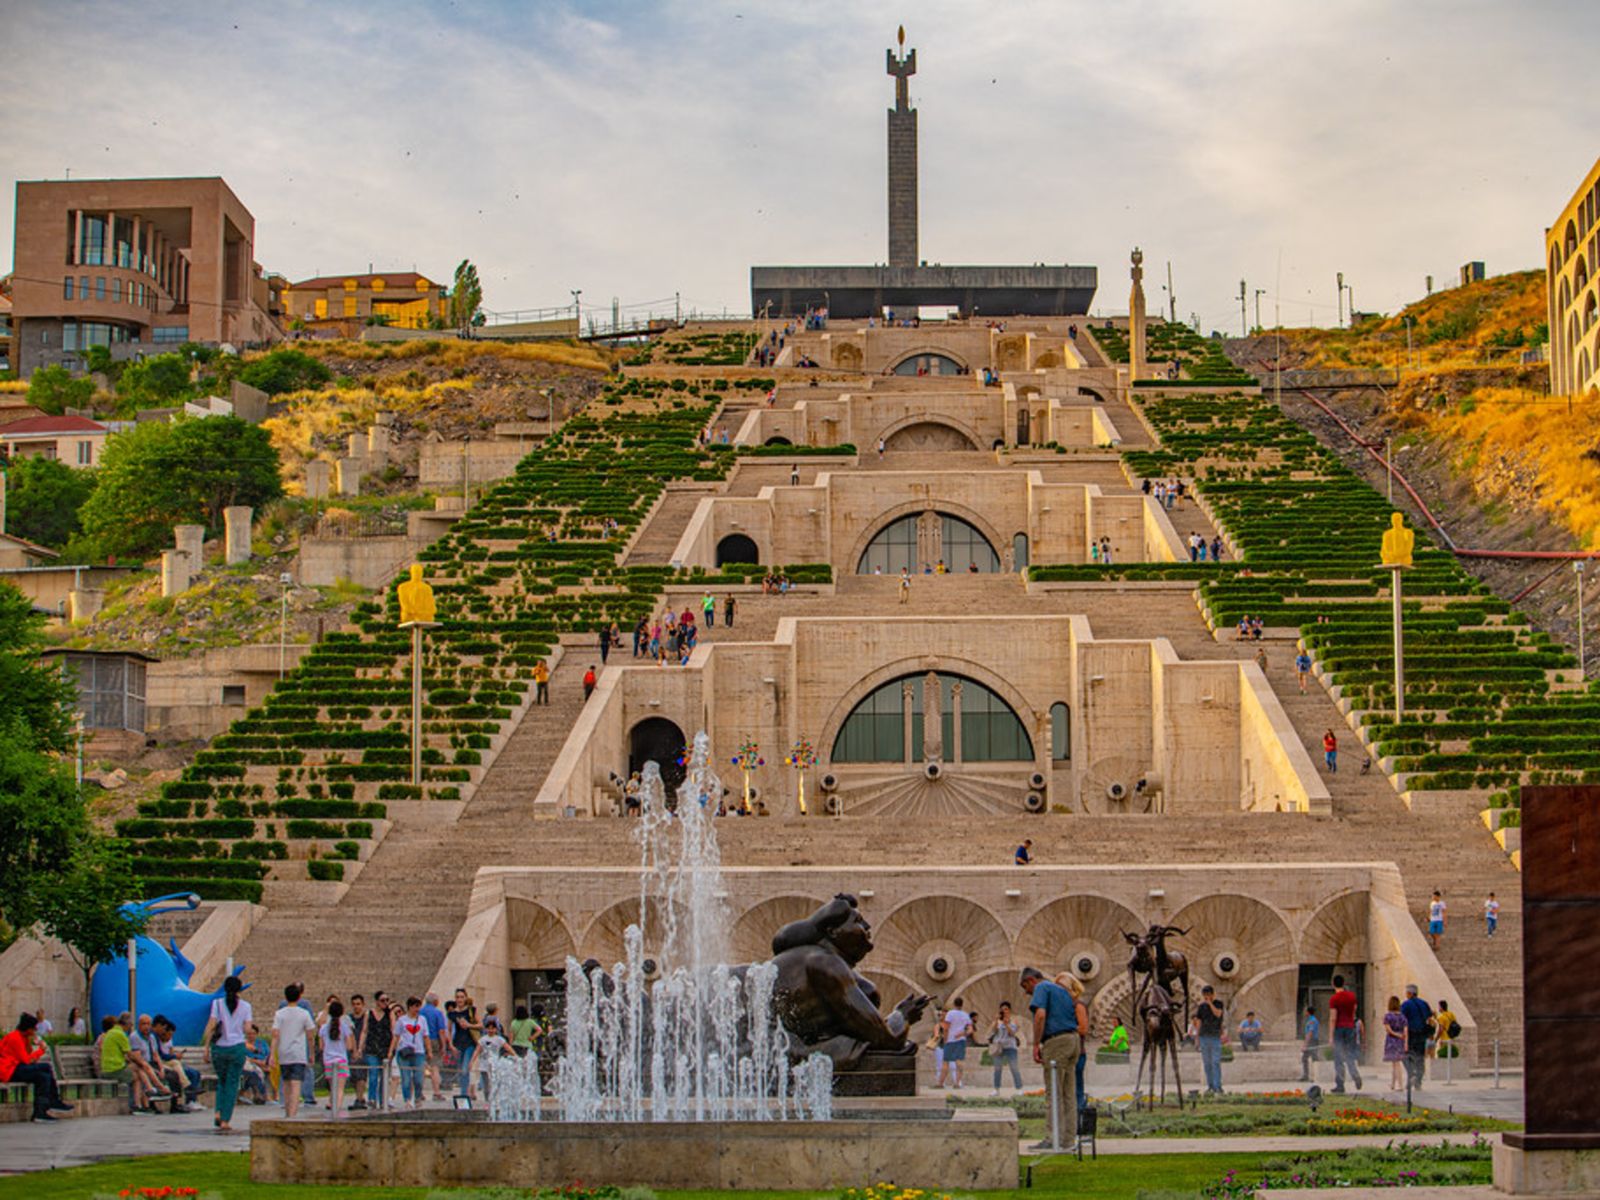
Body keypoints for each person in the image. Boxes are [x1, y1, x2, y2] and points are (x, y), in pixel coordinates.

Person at [1021, 966, 1080, 1149]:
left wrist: (1036, 1044)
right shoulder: (1062, 991)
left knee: (1053, 1092)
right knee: (1068, 1093)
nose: (1026, 992)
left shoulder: (1042, 987)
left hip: (1056, 1042)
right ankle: (1068, 1139)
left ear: (1031, 980)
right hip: (1073, 1040)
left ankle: (1052, 1139)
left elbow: (1040, 1016)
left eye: (1025, 987)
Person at [201, 975, 252, 1133]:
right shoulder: (245, 1006)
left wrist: (206, 1047)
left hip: (219, 1048)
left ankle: (218, 1111)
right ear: (239, 989)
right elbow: (247, 1029)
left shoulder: (217, 1004)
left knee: (222, 1082)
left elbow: (211, 1025)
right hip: (236, 1048)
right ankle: (225, 1119)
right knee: (231, 1084)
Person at [0, 1013, 72, 1122]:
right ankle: (52, 1101)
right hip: (8, 1071)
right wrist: (41, 1050)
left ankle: (40, 1112)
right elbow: (27, 1061)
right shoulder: (15, 1038)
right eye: (34, 1028)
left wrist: (30, 1042)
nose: (36, 1031)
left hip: (16, 1067)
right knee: (46, 1067)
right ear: (28, 1029)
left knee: (43, 1077)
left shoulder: (23, 1037)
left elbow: (27, 1055)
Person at [271, 983, 317, 1119]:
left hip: (284, 1052)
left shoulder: (279, 1014)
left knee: (286, 1083)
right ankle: (292, 1114)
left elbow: (275, 1035)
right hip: (298, 1053)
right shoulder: (304, 1013)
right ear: (299, 997)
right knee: (296, 1084)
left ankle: (287, 1111)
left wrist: (272, 1054)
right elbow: (310, 1036)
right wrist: (312, 1053)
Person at [152, 1015, 202, 1112]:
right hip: (156, 1064)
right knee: (175, 1073)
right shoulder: (154, 1037)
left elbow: (162, 1054)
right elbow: (160, 1055)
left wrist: (173, 1057)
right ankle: (184, 1094)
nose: (163, 1030)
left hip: (163, 1063)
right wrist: (174, 1057)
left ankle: (190, 1098)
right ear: (158, 1025)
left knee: (194, 1073)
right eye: (163, 1028)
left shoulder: (155, 1037)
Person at [356, 990, 393, 1110]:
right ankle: (372, 1098)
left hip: (385, 1048)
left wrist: (392, 1049)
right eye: (382, 1000)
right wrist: (360, 1047)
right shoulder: (369, 1013)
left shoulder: (390, 1014)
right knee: (373, 1073)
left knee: (384, 1076)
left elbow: (393, 1031)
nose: (385, 1003)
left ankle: (382, 1100)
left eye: (387, 1000)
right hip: (372, 1047)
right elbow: (364, 1030)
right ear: (377, 1001)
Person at [1328, 973, 1363, 1092]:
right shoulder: (1352, 996)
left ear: (1333, 984)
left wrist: (1331, 1036)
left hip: (1339, 1029)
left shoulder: (1334, 999)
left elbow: (1333, 1018)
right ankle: (1355, 1075)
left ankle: (1340, 1084)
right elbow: (1353, 1012)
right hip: (1350, 1028)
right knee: (1349, 1055)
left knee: (1338, 1057)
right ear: (1343, 983)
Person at [1192, 985, 1226, 1094]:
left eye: (1208, 995)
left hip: (1215, 1036)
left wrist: (1210, 1003)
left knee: (1215, 1062)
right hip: (1204, 1036)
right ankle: (1210, 1086)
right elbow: (1199, 1022)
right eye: (1204, 995)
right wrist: (1197, 1037)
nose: (1206, 997)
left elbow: (1218, 1014)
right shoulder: (1201, 1007)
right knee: (1207, 1063)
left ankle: (1218, 1086)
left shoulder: (1218, 1004)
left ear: (1212, 994)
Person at [1399, 983, 1434, 1090]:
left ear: (1410, 993)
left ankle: (1411, 1073)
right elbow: (1430, 1017)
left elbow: (1402, 1019)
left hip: (1410, 1034)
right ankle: (1418, 1082)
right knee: (1420, 1058)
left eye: (1407, 992)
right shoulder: (1424, 1004)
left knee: (1405, 1056)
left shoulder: (1406, 1004)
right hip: (1422, 1034)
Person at [450, 988, 481, 1099]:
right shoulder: (452, 1013)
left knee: (465, 1068)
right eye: (457, 997)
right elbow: (448, 1029)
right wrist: (451, 1045)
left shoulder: (471, 1010)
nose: (459, 999)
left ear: (465, 998)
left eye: (462, 997)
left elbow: (481, 1024)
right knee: (460, 1070)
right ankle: (464, 1093)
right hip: (458, 1043)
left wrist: (469, 1025)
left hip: (470, 1043)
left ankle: (464, 1094)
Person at [988, 1003, 1023, 1094]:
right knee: (997, 1068)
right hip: (999, 1047)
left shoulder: (1014, 1021)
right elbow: (994, 1031)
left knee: (1014, 1067)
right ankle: (996, 1089)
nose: (1004, 1011)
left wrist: (1006, 1024)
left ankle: (1019, 1088)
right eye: (1002, 1009)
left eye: (1006, 1009)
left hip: (1010, 1047)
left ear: (1009, 1010)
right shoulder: (997, 1021)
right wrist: (996, 1020)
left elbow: (1012, 1033)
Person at [420, 992, 447, 1101]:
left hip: (421, 1040)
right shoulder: (437, 1013)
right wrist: (443, 1045)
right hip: (434, 1040)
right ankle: (436, 1092)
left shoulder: (420, 1012)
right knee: (435, 1067)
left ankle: (419, 1092)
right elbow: (441, 1031)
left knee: (421, 1067)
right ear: (435, 1002)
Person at [940, 998, 973, 1088]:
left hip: (950, 1040)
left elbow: (946, 1028)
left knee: (946, 1061)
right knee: (959, 1061)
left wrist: (945, 1039)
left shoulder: (950, 1014)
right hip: (961, 1040)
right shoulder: (965, 1015)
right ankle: (957, 1083)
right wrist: (963, 1033)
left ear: (954, 1004)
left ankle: (941, 1083)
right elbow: (970, 1030)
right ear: (962, 1004)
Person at [242, 1022, 273, 1104]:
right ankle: (262, 1095)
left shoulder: (262, 1043)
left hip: (262, 1064)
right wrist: (256, 1062)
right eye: (249, 1034)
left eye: (253, 1033)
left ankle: (264, 1095)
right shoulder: (243, 1045)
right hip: (249, 1066)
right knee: (255, 1072)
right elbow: (245, 1059)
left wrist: (262, 1063)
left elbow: (267, 1056)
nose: (251, 1035)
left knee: (266, 1070)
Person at [1381, 995, 1408, 1091]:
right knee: (1395, 1063)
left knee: (1396, 1063)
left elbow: (1388, 1030)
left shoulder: (1388, 1016)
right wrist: (1405, 1042)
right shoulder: (1402, 1017)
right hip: (1400, 1041)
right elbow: (1405, 1031)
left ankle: (1400, 1085)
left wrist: (1396, 1035)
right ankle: (1393, 1084)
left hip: (1391, 1041)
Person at [1299, 1004, 1321, 1082]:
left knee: (1312, 1058)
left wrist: (1305, 1045)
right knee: (1307, 1058)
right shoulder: (1310, 1020)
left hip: (1312, 1041)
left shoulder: (1312, 1021)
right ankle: (1308, 1075)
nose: (1304, 1013)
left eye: (1305, 1011)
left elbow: (1310, 1033)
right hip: (1312, 1040)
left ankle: (1313, 1076)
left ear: (1308, 1012)